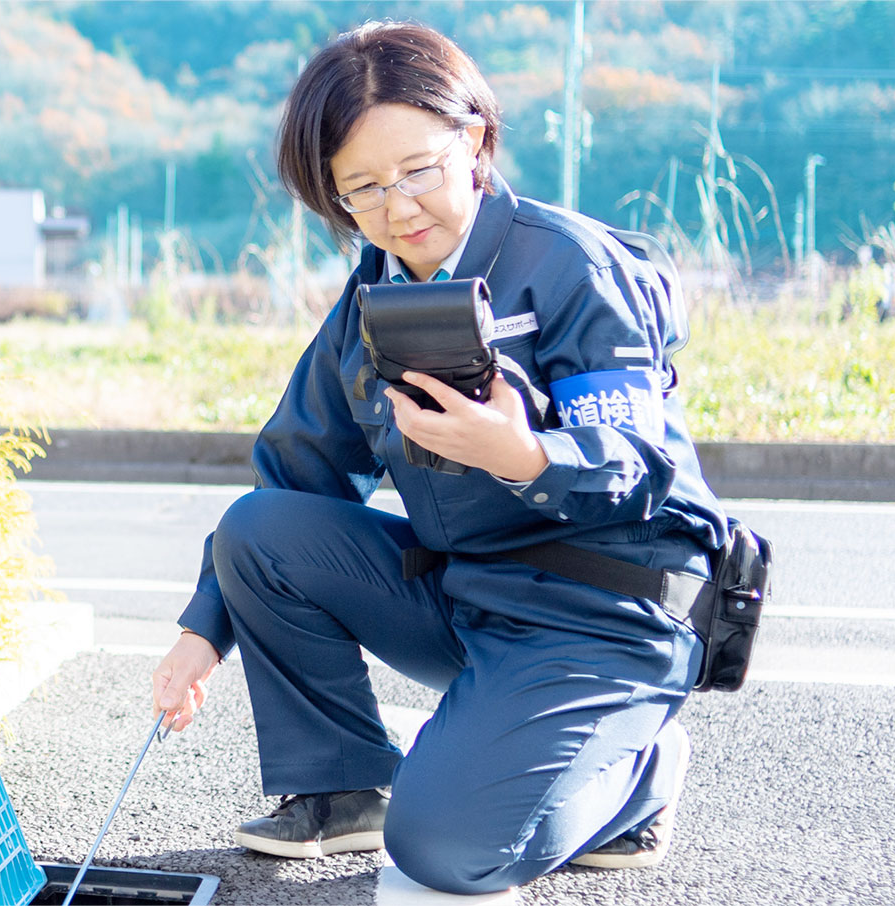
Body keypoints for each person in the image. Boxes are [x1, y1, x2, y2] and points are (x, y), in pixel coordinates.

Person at [149, 20, 729, 897]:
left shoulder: (570, 267)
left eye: (418, 170)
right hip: (474, 600)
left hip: (605, 615)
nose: (398, 208)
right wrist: (204, 631)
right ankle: (343, 791)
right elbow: (301, 465)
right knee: (259, 531)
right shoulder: (377, 290)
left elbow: (637, 461)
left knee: (447, 852)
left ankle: (636, 773)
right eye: (362, 190)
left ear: (476, 140)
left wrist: (527, 454)